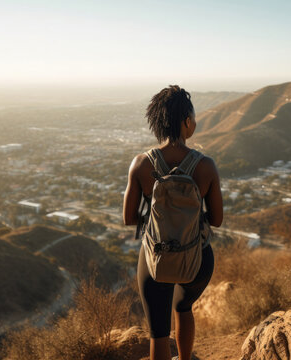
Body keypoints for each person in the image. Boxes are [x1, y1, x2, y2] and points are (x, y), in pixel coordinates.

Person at [123, 85, 223, 360]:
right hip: (197, 259)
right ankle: (185, 358)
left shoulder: (141, 164)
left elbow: (129, 218)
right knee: (183, 307)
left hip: (155, 257)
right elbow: (217, 220)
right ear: (186, 123)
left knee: (158, 332)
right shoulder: (205, 166)